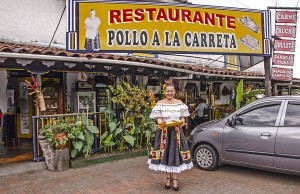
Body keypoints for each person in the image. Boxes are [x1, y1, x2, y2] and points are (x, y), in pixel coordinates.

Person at [148, 81, 193, 191]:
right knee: (166, 155)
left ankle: (175, 179)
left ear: (174, 92)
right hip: (164, 133)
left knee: (176, 155)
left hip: (177, 133)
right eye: (167, 91)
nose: (169, 93)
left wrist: (182, 122)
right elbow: (159, 119)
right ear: (164, 92)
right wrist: (161, 123)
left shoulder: (179, 103)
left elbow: (183, 117)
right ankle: (168, 178)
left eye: (171, 91)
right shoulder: (159, 104)